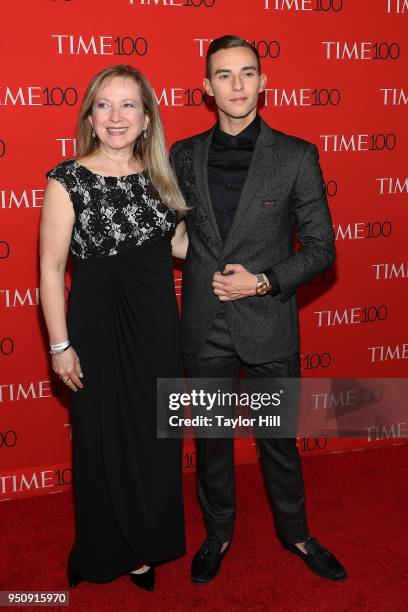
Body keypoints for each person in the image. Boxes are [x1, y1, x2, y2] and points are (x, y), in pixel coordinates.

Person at [170, 35, 347, 584]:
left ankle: (296, 533)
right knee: (213, 443)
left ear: (264, 83)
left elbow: (322, 249)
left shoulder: (296, 156)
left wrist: (263, 281)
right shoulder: (182, 154)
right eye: (224, 75)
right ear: (207, 88)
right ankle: (217, 535)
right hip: (204, 325)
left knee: (279, 441)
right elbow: (178, 235)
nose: (238, 84)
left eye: (248, 73)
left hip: (269, 322)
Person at [40, 64, 189, 592]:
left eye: (129, 105)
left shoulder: (164, 178)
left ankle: (144, 549)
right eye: (104, 105)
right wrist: (61, 346)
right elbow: (51, 269)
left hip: (155, 331)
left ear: (147, 118)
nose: (117, 116)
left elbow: (181, 247)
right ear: (90, 116)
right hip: (94, 330)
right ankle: (98, 550)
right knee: (98, 441)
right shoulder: (68, 179)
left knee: (153, 439)